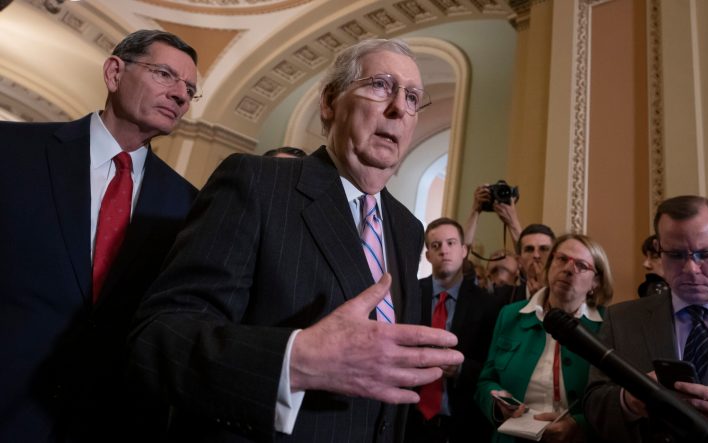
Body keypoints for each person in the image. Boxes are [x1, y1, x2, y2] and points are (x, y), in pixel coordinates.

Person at [128, 38, 463, 442]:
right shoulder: (257, 183)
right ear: (329, 102)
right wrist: (295, 361)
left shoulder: (408, 227)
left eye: (412, 97)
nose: (398, 109)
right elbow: (160, 337)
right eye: (380, 85)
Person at [0, 29, 199, 442]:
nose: (180, 95)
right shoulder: (13, 149)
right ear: (114, 72)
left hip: (105, 417)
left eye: (190, 89)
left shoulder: (188, 204)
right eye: (165, 74)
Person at [584, 195, 708, 443]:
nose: (691, 268)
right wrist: (628, 402)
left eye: (706, 253)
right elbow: (593, 408)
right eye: (675, 254)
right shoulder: (621, 320)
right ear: (660, 249)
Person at [476, 233, 613, 442]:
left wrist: (580, 425)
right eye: (562, 259)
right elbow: (486, 380)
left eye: (581, 265)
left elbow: (615, 398)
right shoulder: (510, 315)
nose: (568, 269)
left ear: (596, 282)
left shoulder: (608, 325)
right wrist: (496, 403)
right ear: (549, 266)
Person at [405, 218, 506, 443]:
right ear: (428, 255)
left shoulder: (487, 304)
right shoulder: (410, 294)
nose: (444, 251)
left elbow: (493, 367)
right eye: (436, 245)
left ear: (464, 250)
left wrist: (460, 369)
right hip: (409, 421)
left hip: (462, 424)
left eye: (451, 243)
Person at [498, 224, 557, 303]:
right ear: (519, 260)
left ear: (554, 257)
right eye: (529, 249)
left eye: (543, 249)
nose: (536, 255)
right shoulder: (505, 297)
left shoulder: (567, 295)